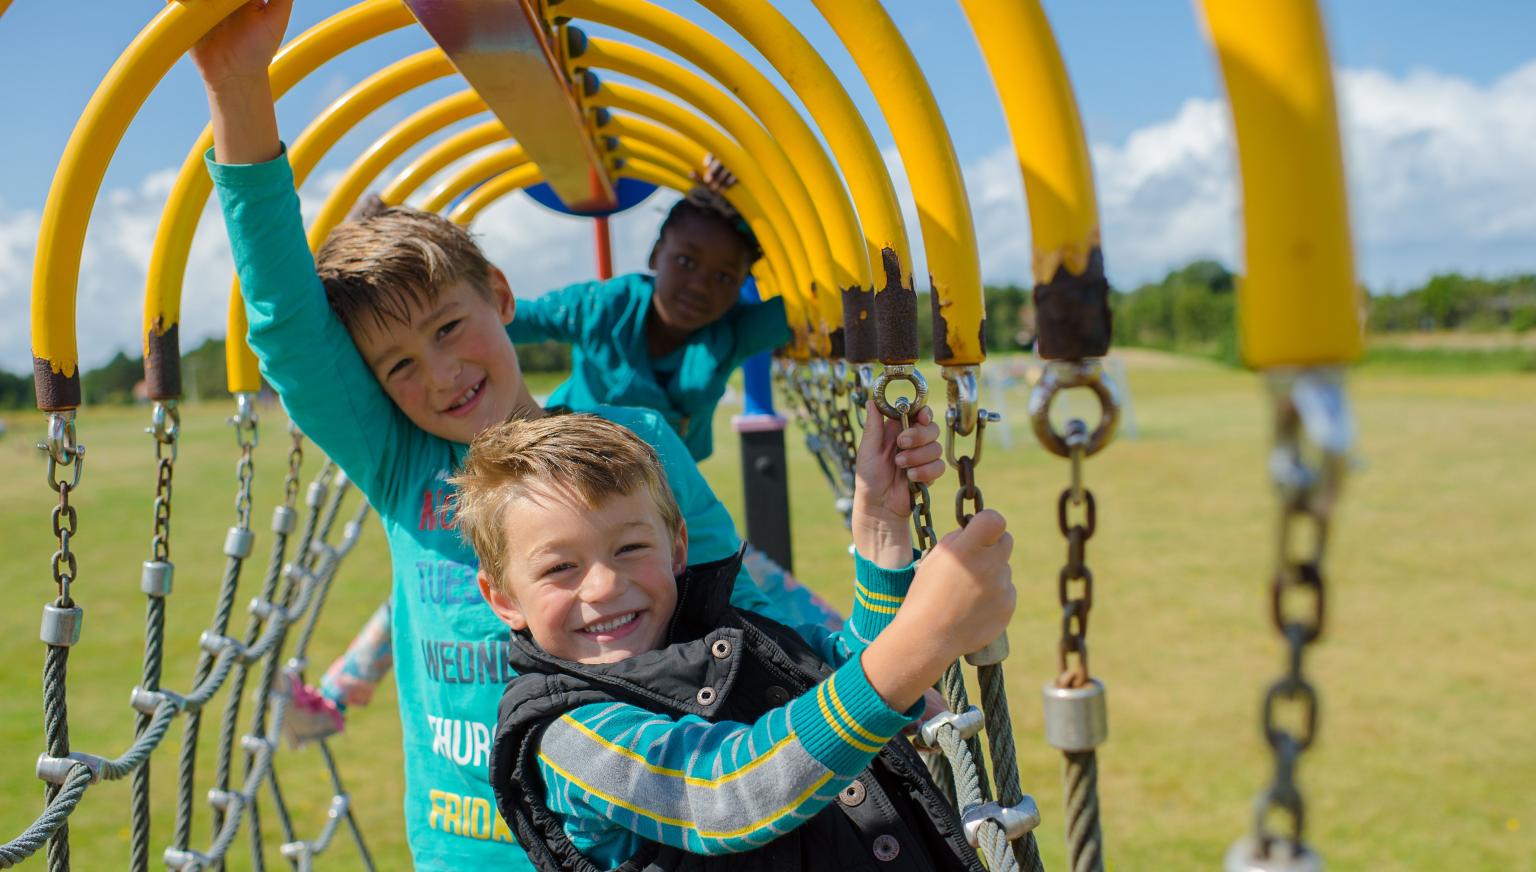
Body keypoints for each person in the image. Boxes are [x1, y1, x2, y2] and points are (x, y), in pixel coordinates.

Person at [187, 2, 880, 866]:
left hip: (632, 829)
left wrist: (875, 664)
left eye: (448, 328)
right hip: (465, 847)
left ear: (502, 298)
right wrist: (236, 86)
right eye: (398, 365)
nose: (439, 375)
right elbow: (287, 327)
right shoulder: (401, 461)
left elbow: (738, 603)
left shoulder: (635, 447)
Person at [452, 410, 1014, 871]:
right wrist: (923, 642)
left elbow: (845, 673)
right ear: (502, 597)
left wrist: (883, 535)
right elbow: (724, 792)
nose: (603, 585)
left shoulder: (727, 640)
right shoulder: (569, 734)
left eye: (629, 550)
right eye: (560, 568)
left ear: (677, 549)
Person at [509, 171, 784, 463]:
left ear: (741, 283)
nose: (700, 285)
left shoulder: (734, 329)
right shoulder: (603, 307)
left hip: (664, 481)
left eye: (723, 277)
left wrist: (757, 196)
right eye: (686, 261)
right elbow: (512, 317)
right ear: (656, 254)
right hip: (575, 462)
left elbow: (814, 302)